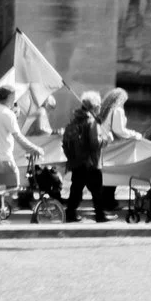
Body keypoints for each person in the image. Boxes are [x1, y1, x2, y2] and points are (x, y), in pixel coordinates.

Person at [0, 84, 42, 204]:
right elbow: (18, 137)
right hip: (4, 159)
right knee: (14, 187)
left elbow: (0, 123)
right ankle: (0, 212)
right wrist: (34, 148)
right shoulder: (8, 114)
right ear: (10, 97)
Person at [60, 91, 110, 222]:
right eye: (99, 105)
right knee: (97, 190)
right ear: (94, 107)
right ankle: (100, 215)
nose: (100, 108)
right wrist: (106, 140)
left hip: (76, 161)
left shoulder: (75, 120)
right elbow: (95, 143)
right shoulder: (91, 121)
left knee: (76, 189)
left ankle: (70, 213)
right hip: (90, 162)